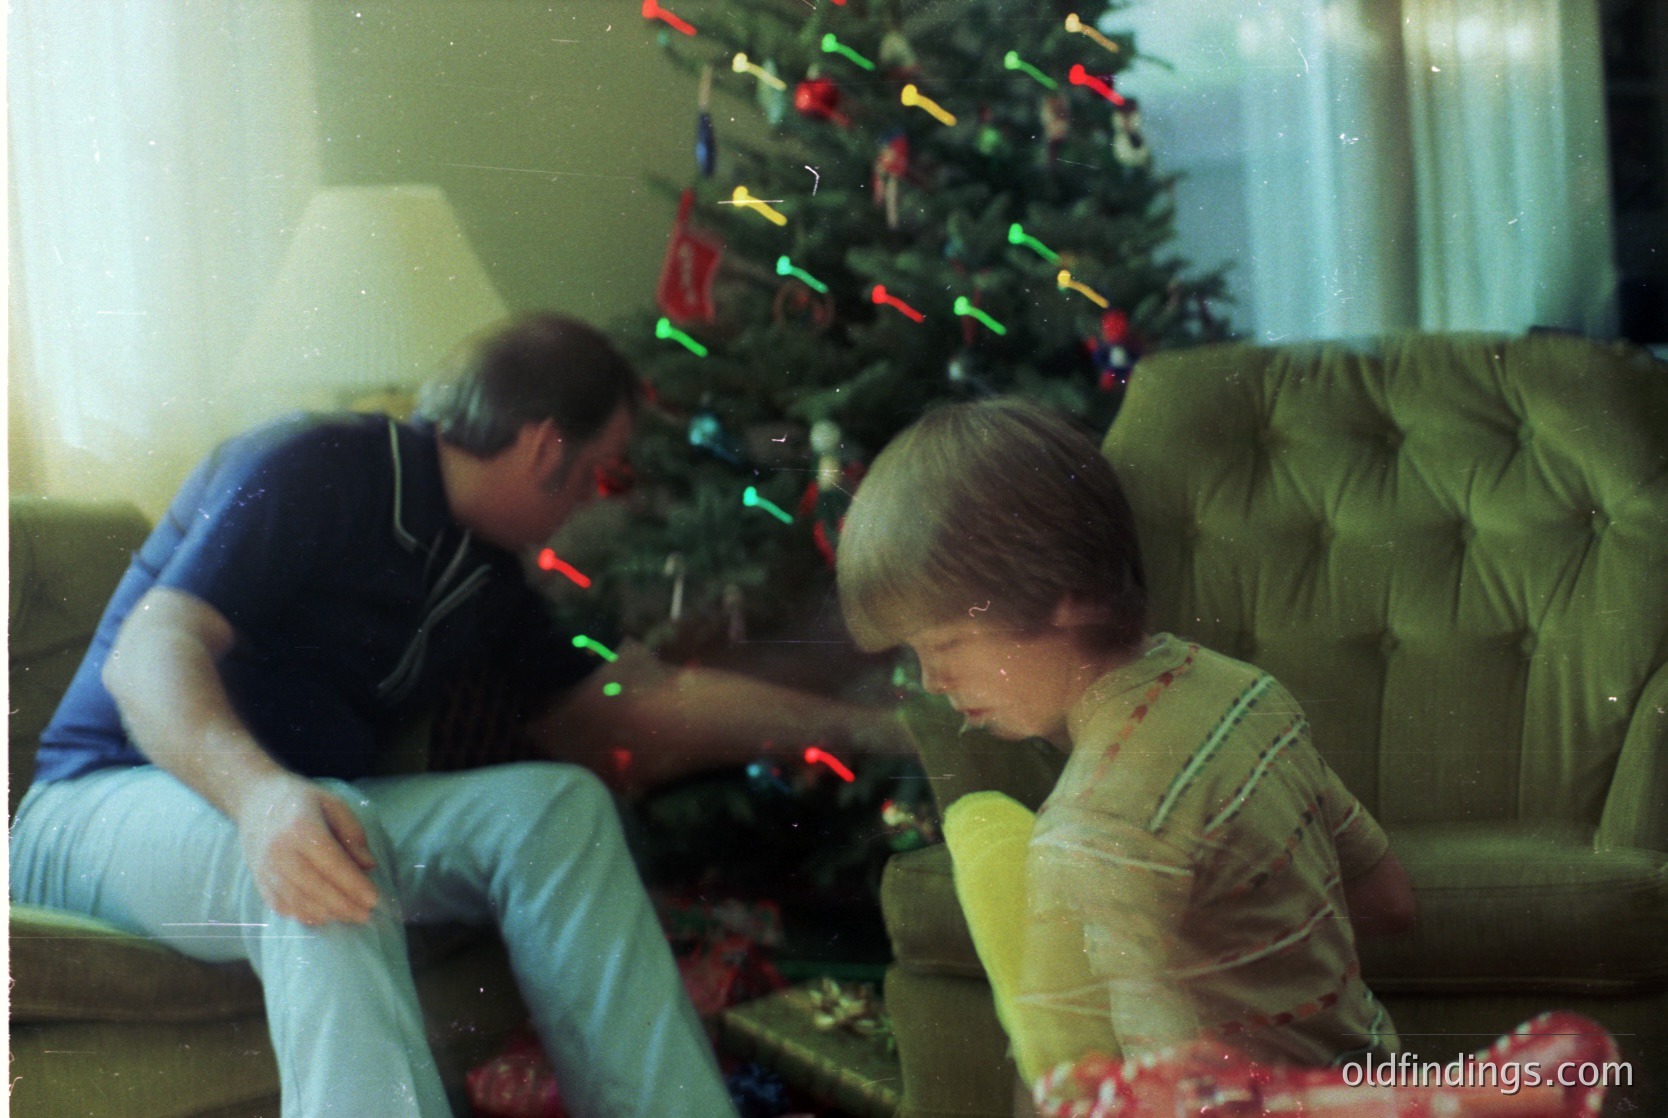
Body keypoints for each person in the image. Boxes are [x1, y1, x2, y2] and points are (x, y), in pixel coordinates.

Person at [10, 313, 907, 1118]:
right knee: (328, 828)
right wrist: (262, 799)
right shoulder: (315, 464)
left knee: (560, 810)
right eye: (598, 472)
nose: (592, 499)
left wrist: (871, 729)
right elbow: (148, 650)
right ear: (546, 448)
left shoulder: (486, 570)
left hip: (294, 807)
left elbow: (630, 708)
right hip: (94, 812)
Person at [834, 398, 1417, 1090]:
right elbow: (1390, 900)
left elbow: (1147, 1096)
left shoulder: (1088, 835)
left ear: (1064, 593)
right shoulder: (1249, 693)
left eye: (948, 643)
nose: (933, 680)